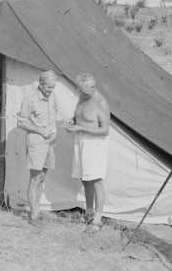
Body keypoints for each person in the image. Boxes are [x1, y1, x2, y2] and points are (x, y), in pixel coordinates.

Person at [65, 74, 110, 233]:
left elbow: (105, 130)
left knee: (96, 180)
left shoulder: (101, 102)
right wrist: (72, 120)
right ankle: (89, 212)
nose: (92, 89)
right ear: (80, 89)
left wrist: (82, 128)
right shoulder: (82, 97)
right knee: (85, 178)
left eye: (93, 86)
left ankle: (98, 219)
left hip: (94, 144)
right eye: (88, 88)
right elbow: (80, 116)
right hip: (80, 141)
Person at [16, 70, 58, 226]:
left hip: (49, 142)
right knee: (34, 178)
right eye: (48, 87)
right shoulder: (30, 99)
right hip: (36, 141)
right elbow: (20, 122)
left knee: (42, 177)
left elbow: (53, 117)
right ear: (40, 84)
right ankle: (33, 216)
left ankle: (37, 211)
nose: (50, 90)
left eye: (52, 87)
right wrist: (40, 130)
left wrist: (54, 131)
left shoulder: (52, 97)